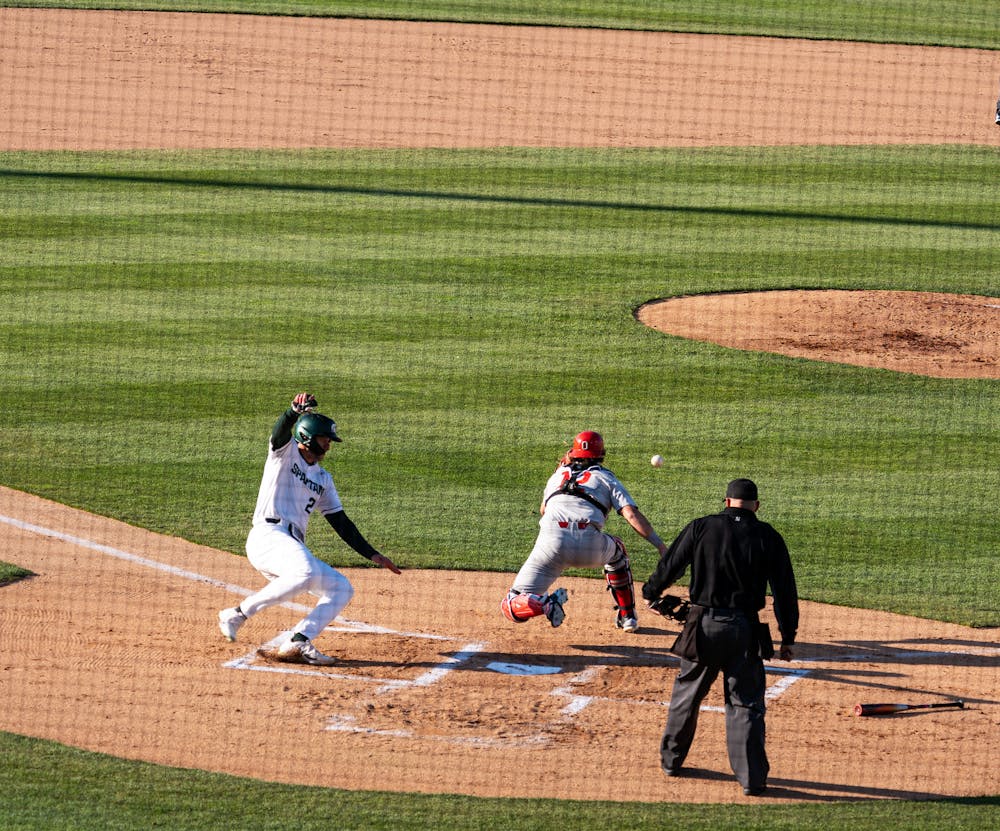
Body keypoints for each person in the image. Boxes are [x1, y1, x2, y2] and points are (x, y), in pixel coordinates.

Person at [218, 393, 401, 665]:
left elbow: (340, 521)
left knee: (341, 588)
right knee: (304, 571)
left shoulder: (323, 479)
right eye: (324, 438)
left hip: (291, 545)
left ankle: (298, 640)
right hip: (268, 537)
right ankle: (237, 613)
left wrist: (372, 554)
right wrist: (292, 412)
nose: (328, 444)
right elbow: (279, 431)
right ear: (307, 437)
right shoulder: (284, 453)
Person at [641, 478, 798, 796]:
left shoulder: (702, 527)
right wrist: (788, 636)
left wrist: (651, 593)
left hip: (701, 626)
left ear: (726, 502)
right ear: (756, 505)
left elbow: (672, 563)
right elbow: (784, 591)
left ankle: (671, 762)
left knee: (687, 696)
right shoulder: (768, 536)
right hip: (744, 631)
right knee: (746, 704)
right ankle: (752, 780)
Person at [501, 430, 670, 632]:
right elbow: (631, 515)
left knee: (511, 605)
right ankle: (628, 617)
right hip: (590, 546)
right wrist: (660, 546)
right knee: (617, 553)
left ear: (573, 453)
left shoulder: (556, 476)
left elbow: (543, 510)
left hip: (550, 546)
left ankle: (544, 605)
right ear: (601, 455)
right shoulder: (606, 477)